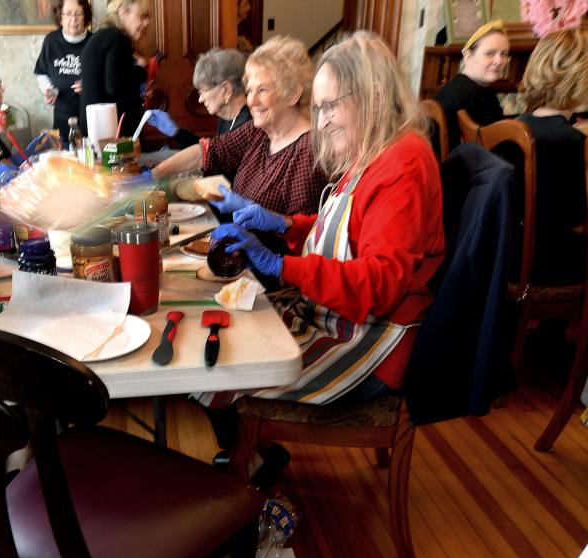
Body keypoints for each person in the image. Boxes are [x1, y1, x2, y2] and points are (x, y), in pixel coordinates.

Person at [205, 32, 444, 474]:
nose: (322, 121)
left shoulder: (402, 164)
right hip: (338, 314)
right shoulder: (375, 148)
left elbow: (380, 283)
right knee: (220, 337)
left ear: (372, 95)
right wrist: (283, 224)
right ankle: (255, 457)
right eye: (317, 109)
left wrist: (281, 264)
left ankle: (251, 467)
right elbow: (346, 231)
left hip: (373, 340)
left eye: (330, 106)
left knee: (219, 370)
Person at [152, 36, 327, 222]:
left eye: (263, 90)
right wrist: (156, 174)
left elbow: (303, 233)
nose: (251, 100)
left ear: (293, 95)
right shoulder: (258, 131)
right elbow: (209, 152)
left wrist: (262, 216)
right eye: (250, 90)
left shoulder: (307, 153)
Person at [517, 28, 588, 285]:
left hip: (509, 251)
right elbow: (583, 218)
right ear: (583, 80)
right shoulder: (569, 140)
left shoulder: (516, 126)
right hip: (547, 260)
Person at [146, 48, 250, 149]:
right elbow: (212, 154)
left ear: (226, 89)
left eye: (204, 91)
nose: (200, 99)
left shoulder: (247, 127)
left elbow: (214, 159)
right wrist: (176, 132)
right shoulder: (226, 118)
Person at [79, 0, 151, 142]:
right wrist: (141, 70)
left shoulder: (102, 36)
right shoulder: (118, 39)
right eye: (142, 16)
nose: (147, 22)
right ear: (123, 11)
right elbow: (116, 87)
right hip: (111, 136)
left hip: (97, 132)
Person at [435, 21, 510, 150]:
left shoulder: (452, 87)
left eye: (504, 54)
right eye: (490, 53)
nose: (499, 61)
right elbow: (500, 147)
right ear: (468, 56)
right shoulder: (480, 96)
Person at [35, 0, 92, 143]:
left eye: (78, 14)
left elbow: (105, 78)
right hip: (62, 117)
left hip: (89, 117)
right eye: (67, 14)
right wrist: (49, 90)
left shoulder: (94, 41)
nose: (73, 20)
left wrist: (90, 85)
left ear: (85, 16)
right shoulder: (51, 41)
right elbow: (42, 73)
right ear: (60, 17)